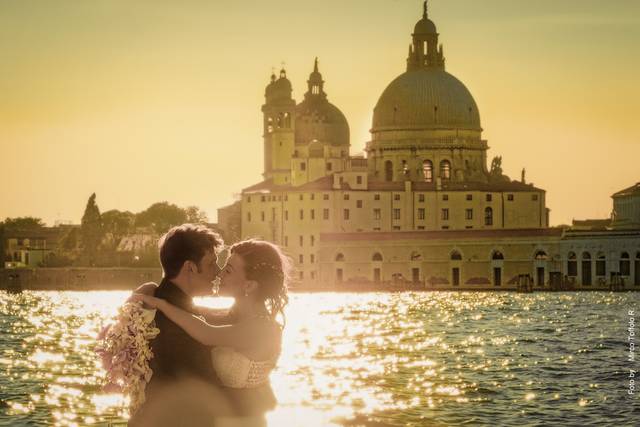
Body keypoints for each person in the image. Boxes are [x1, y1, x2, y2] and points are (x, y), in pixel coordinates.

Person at [131, 239, 289, 426]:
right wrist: (151, 291)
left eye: (228, 270)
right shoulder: (230, 317)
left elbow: (206, 333)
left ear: (249, 286)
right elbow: (189, 312)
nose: (219, 274)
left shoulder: (261, 329)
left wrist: (162, 304)